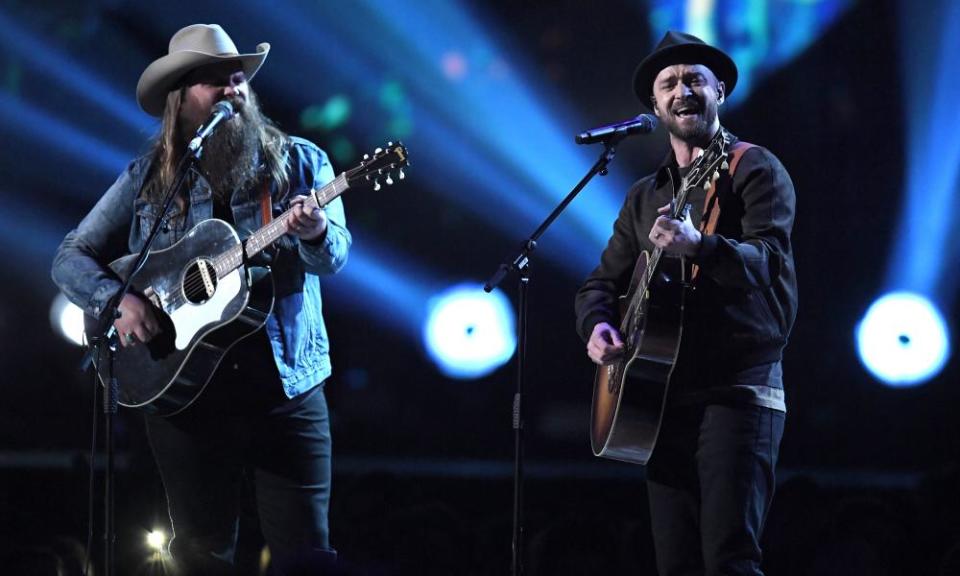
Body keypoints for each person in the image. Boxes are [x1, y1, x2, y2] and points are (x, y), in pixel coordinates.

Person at [51, 23, 350, 574]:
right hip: (183, 396)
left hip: (286, 392)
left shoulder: (302, 164)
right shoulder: (149, 177)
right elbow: (70, 255)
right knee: (199, 555)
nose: (233, 90)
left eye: (237, 78)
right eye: (216, 82)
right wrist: (118, 301)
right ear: (183, 99)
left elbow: (332, 259)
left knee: (306, 556)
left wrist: (311, 233)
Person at [574, 31, 797, 575]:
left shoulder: (753, 168)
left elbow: (768, 262)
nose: (683, 91)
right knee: (675, 564)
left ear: (719, 89)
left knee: (729, 560)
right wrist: (597, 326)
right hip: (659, 401)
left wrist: (702, 246)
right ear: (654, 105)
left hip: (737, 390)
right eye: (669, 83)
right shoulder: (645, 196)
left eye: (695, 79)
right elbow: (599, 283)